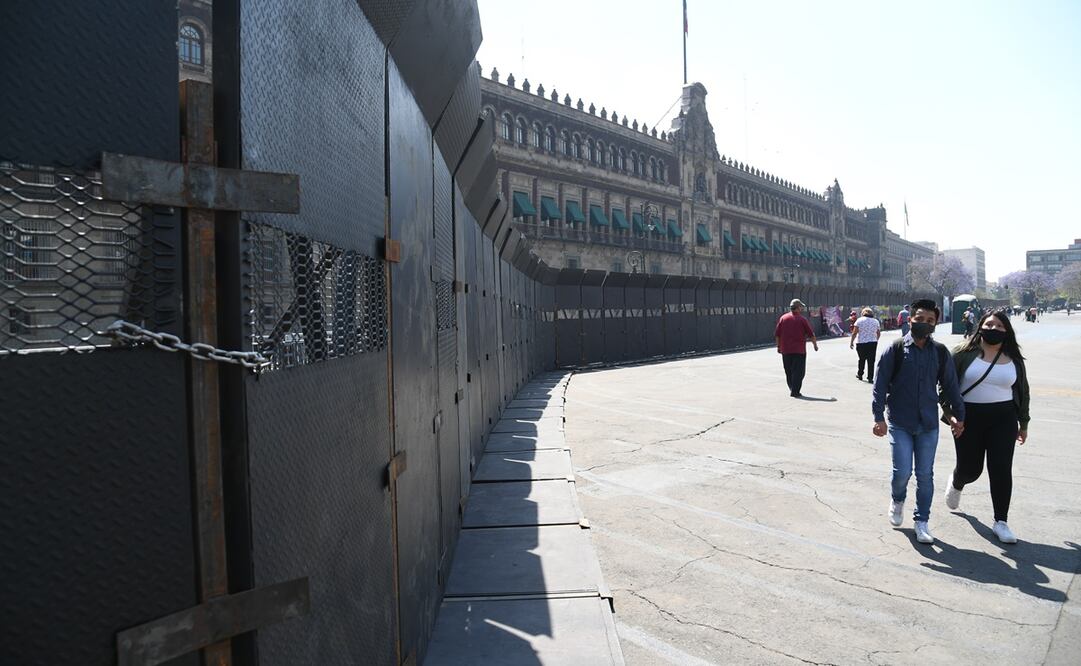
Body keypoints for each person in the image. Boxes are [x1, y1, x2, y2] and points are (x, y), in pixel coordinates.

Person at [872, 299, 966, 544]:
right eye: (920, 319)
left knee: (925, 475)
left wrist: (959, 416)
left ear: (935, 324)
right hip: (900, 422)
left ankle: (922, 521)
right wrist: (878, 417)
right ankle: (898, 499)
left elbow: (951, 386)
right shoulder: (895, 349)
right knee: (902, 472)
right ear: (910, 319)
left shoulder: (940, 353)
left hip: (928, 425)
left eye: (930, 321)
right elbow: (879, 385)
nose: (925, 324)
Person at [940, 311, 1031, 544]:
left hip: (1004, 418)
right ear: (980, 326)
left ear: (1006, 330)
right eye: (989, 324)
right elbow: (945, 387)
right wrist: (950, 415)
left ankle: (1001, 521)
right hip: (968, 418)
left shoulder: (1013, 357)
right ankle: (958, 481)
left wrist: (1023, 423)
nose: (993, 328)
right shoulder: (962, 353)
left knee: (1001, 469)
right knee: (971, 469)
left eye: (999, 325)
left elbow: (1022, 390)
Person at [775, 298, 819, 398]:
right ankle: (795, 391)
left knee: (788, 371)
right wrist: (815, 345)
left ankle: (792, 388)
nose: (802, 309)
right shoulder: (802, 319)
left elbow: (777, 334)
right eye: (801, 307)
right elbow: (811, 334)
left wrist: (778, 346)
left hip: (786, 350)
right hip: (799, 351)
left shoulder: (783, 318)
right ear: (798, 308)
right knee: (799, 372)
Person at [850, 307, 881, 382]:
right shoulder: (875, 321)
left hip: (861, 343)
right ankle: (870, 377)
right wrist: (875, 340)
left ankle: (860, 374)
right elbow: (878, 333)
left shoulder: (859, 320)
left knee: (862, 359)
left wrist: (851, 342)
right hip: (872, 343)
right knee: (871, 360)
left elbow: (854, 332)